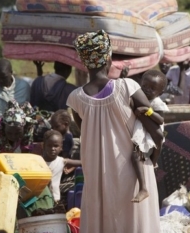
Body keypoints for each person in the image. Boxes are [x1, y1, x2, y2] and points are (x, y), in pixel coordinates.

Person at [67, 29, 161, 233]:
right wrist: (154, 157)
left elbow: (84, 128)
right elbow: (153, 126)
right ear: (108, 58)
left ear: (85, 63)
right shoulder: (128, 86)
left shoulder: (75, 98)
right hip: (133, 171)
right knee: (136, 223)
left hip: (98, 175)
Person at [131, 70, 169, 202]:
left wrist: (147, 111)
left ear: (161, 92)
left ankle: (143, 187)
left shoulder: (157, 102)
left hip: (149, 134)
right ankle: (144, 184)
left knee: (136, 156)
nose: (147, 90)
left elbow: (160, 120)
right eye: (145, 86)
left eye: (152, 88)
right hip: (142, 131)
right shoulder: (139, 96)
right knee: (135, 155)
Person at [42, 130, 81, 204]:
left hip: (56, 199)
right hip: (41, 199)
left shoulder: (62, 161)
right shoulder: (38, 161)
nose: (52, 148)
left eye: (56, 146)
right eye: (49, 146)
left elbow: (82, 163)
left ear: (61, 148)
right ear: (44, 146)